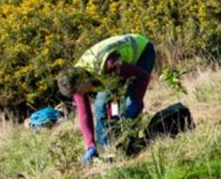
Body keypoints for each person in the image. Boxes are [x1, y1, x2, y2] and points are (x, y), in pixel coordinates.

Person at [56, 33, 155, 166]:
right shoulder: (75, 82)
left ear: (83, 79)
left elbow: (143, 76)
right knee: (101, 106)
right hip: (109, 72)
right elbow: (84, 114)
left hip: (142, 52)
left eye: (80, 90)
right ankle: (105, 149)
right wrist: (90, 145)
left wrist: (135, 101)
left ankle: (132, 143)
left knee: (129, 104)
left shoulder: (110, 65)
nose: (80, 94)